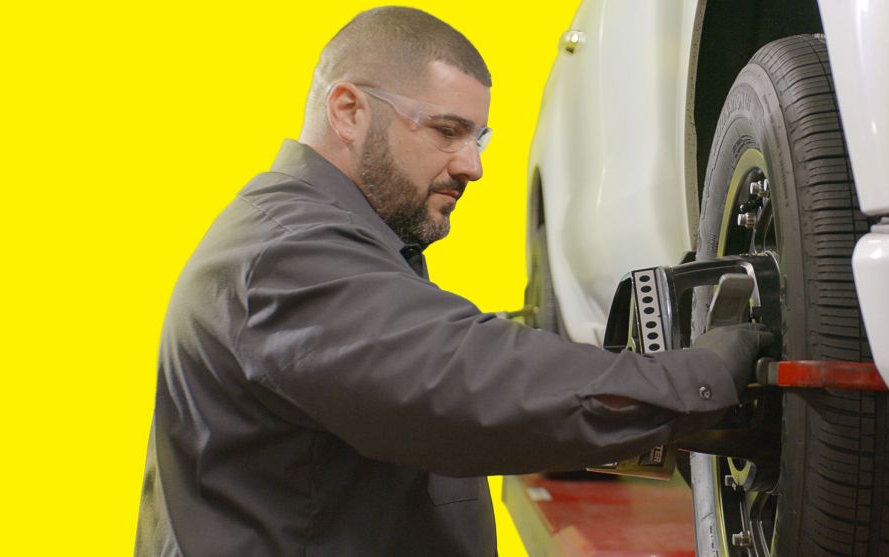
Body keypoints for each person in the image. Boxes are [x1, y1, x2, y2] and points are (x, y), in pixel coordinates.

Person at [135, 6, 773, 556]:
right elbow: (470, 379)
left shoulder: (334, 239)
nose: (473, 166)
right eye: (446, 131)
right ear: (349, 111)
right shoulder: (286, 255)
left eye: (480, 138)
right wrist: (702, 376)